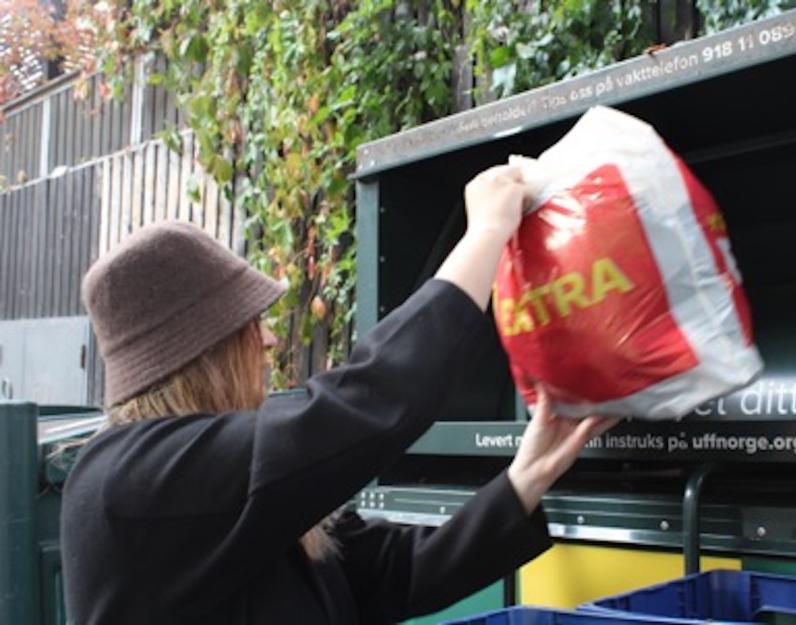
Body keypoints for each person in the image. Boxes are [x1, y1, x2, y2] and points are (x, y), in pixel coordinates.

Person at [61, 165, 616, 625]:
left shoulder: (237, 495)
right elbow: (364, 407)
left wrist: (527, 478)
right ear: (204, 351)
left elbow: (398, 574)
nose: (271, 339)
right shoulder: (127, 482)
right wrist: (485, 237)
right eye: (252, 325)